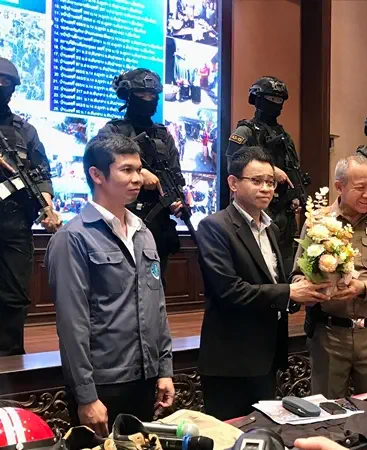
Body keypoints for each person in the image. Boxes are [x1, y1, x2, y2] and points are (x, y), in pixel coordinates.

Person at [45, 135, 174, 436]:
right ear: (97, 175)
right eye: (126, 170)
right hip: (103, 384)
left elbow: (158, 307)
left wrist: (164, 370)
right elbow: (72, 324)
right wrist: (86, 396)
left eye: (138, 170)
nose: (137, 178)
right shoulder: (73, 238)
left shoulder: (144, 233)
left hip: (146, 379)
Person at [195, 146, 329, 421]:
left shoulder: (272, 228)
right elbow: (229, 290)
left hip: (267, 354)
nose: (266, 189)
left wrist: (302, 290)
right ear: (233, 183)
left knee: (263, 432)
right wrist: (290, 292)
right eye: (256, 181)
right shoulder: (214, 227)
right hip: (231, 360)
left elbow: (275, 280)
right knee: (230, 433)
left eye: (270, 182)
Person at [292, 155, 367, 398]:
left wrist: (363, 288)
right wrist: (306, 288)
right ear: (339, 186)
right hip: (330, 335)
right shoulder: (318, 222)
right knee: (327, 408)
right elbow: (297, 274)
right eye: (360, 188)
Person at [98, 68, 184, 286]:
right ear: (127, 95)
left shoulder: (163, 135)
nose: (147, 99)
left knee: (155, 288)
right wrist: (137, 172)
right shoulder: (112, 131)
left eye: (152, 95)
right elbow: (99, 166)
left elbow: (175, 174)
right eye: (141, 94)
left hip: (157, 225)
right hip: (120, 221)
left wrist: (177, 200)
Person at [0, 57, 62, 356]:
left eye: (6, 84)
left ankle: (10, 360)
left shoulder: (25, 131)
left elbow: (41, 173)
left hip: (14, 224)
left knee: (15, 296)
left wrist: (46, 204)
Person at [226, 76, 309, 275]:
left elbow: (292, 168)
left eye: (279, 100)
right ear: (256, 99)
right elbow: (233, 165)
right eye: (270, 99)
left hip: (283, 210)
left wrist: (296, 196)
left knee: (285, 265)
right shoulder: (245, 131)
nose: (275, 104)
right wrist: (271, 171)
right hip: (253, 209)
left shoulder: (284, 136)